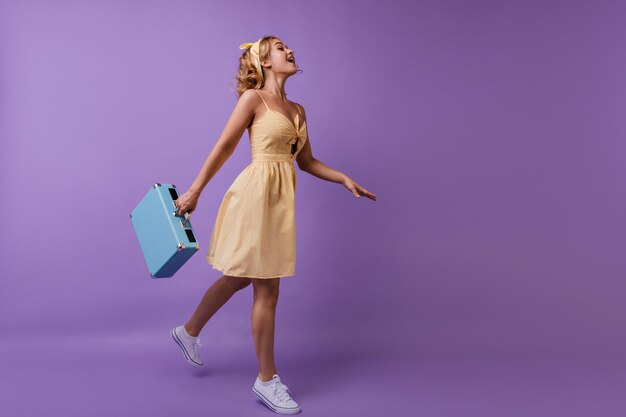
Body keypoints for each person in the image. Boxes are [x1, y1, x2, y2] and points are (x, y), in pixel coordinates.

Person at [169, 35, 377, 415]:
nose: (291, 50)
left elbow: (307, 161)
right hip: (255, 196)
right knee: (266, 290)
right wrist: (195, 191)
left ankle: (188, 331)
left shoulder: (298, 109)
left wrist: (343, 177)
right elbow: (224, 147)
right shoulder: (254, 100)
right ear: (264, 60)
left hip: (280, 202)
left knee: (240, 277)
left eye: (289, 46)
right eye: (281, 47)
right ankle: (267, 380)